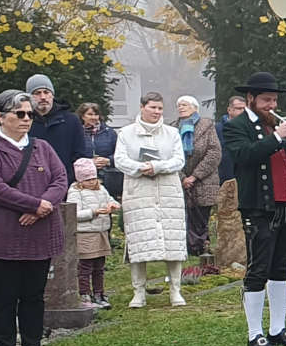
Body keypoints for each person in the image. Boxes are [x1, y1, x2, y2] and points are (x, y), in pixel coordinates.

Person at [0, 89, 68, 346]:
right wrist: (33, 204)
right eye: (20, 114)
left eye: (30, 114)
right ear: (0, 116)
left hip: (40, 231)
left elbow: (60, 178)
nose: (27, 119)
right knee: (5, 294)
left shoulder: (41, 147)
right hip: (3, 232)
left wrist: (45, 205)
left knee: (34, 294)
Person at [221, 72, 286, 346]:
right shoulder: (236, 125)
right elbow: (244, 156)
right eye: (267, 100)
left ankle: (277, 328)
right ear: (251, 99)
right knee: (258, 270)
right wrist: (278, 137)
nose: (272, 106)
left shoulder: (276, 125)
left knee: (281, 268)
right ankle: (255, 332)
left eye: (275, 100)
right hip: (259, 206)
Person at [113, 92, 189, 307]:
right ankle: (139, 292)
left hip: (167, 190)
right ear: (142, 107)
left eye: (160, 108)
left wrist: (157, 166)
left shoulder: (172, 132)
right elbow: (120, 160)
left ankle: (175, 290)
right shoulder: (126, 133)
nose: (157, 112)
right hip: (138, 190)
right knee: (139, 241)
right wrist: (140, 168)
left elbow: (178, 160)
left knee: (172, 240)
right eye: (153, 108)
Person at [67, 157, 119, 308]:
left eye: (93, 178)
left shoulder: (101, 189)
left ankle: (99, 293)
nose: (91, 182)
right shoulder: (76, 192)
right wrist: (93, 212)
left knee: (99, 266)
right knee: (85, 266)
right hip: (85, 234)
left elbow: (112, 200)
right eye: (87, 179)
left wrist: (113, 205)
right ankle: (85, 295)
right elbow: (73, 213)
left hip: (101, 232)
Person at [175, 96, 220, 258]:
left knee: (201, 214)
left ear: (195, 108)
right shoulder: (173, 128)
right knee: (185, 215)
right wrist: (182, 177)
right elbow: (170, 154)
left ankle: (200, 247)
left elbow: (214, 153)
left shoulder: (207, 125)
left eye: (185, 105)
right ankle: (189, 247)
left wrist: (194, 176)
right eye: (179, 105)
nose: (181, 108)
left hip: (204, 179)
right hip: (181, 178)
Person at [26, 73, 92, 170]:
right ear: (30, 97)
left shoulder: (71, 121)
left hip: (65, 179)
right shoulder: (24, 121)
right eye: (37, 93)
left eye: (46, 92)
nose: (43, 97)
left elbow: (80, 154)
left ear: (52, 95)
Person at [213, 94, 246, 267]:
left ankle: (242, 254)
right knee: (226, 220)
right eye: (239, 108)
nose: (242, 112)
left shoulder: (248, 128)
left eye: (244, 108)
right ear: (230, 110)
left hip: (243, 179)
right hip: (225, 180)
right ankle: (226, 255)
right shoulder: (218, 129)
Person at [81, 102, 120, 201]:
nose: (93, 117)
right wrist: (89, 162)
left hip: (108, 177)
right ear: (82, 116)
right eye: (90, 114)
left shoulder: (110, 133)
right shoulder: (77, 133)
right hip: (84, 179)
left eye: (96, 114)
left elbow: (120, 154)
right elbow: (73, 154)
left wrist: (108, 160)